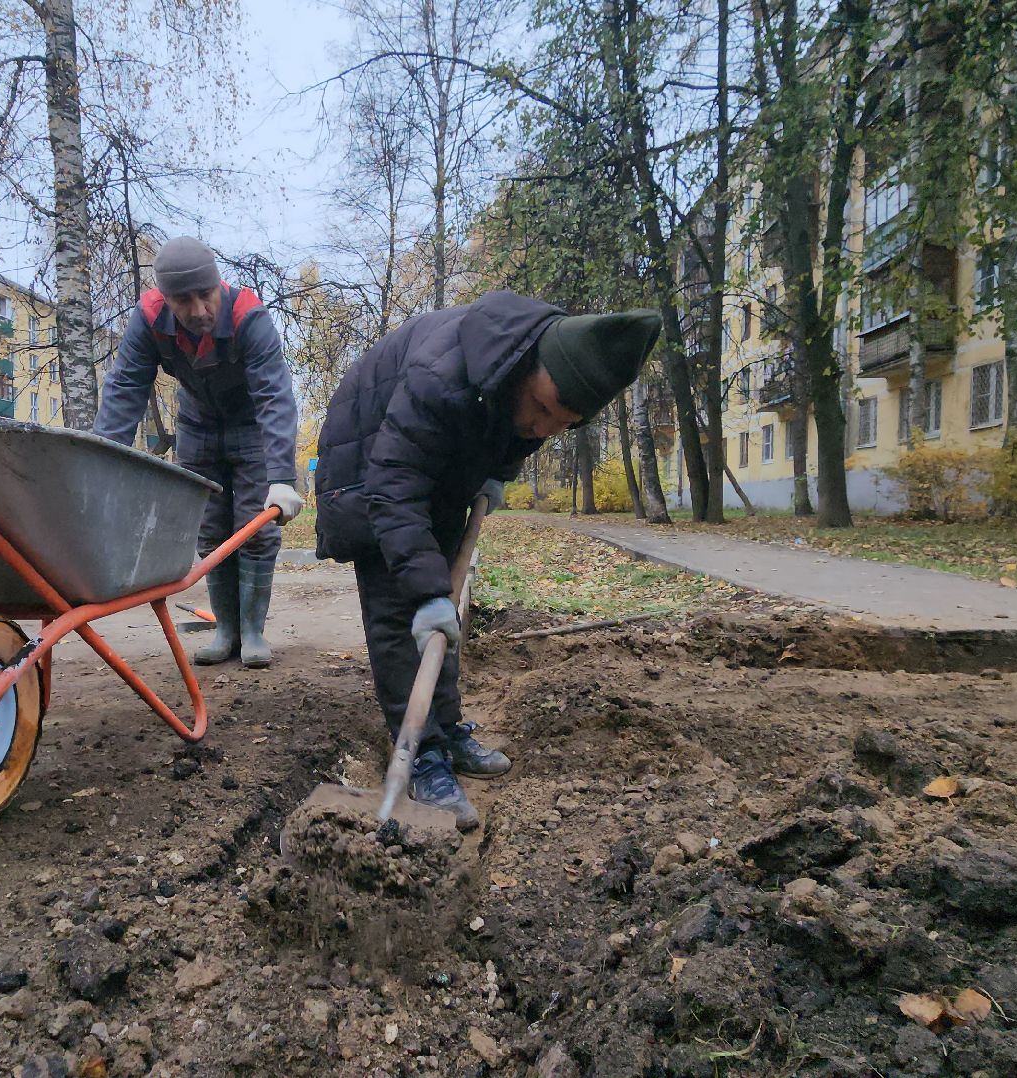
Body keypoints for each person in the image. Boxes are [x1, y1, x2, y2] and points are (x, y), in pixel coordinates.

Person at [314, 292, 661, 829]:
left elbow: (517, 429)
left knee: (444, 609)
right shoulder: (443, 374)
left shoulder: (530, 391)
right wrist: (425, 593)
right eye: (541, 408)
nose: (543, 428)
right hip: (367, 473)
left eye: (561, 422)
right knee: (401, 607)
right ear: (524, 366)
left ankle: (446, 730)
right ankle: (420, 755)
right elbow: (394, 486)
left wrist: (499, 470)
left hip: (442, 472)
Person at [94, 237, 302, 668]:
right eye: (183, 300)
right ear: (166, 298)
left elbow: (275, 397)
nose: (198, 311)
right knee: (209, 532)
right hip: (198, 428)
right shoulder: (149, 319)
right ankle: (225, 630)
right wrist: (104, 464)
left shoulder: (249, 316)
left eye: (205, 295)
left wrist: (282, 476)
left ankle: (252, 631)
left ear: (218, 285)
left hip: (252, 429)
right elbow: (125, 388)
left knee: (257, 529)